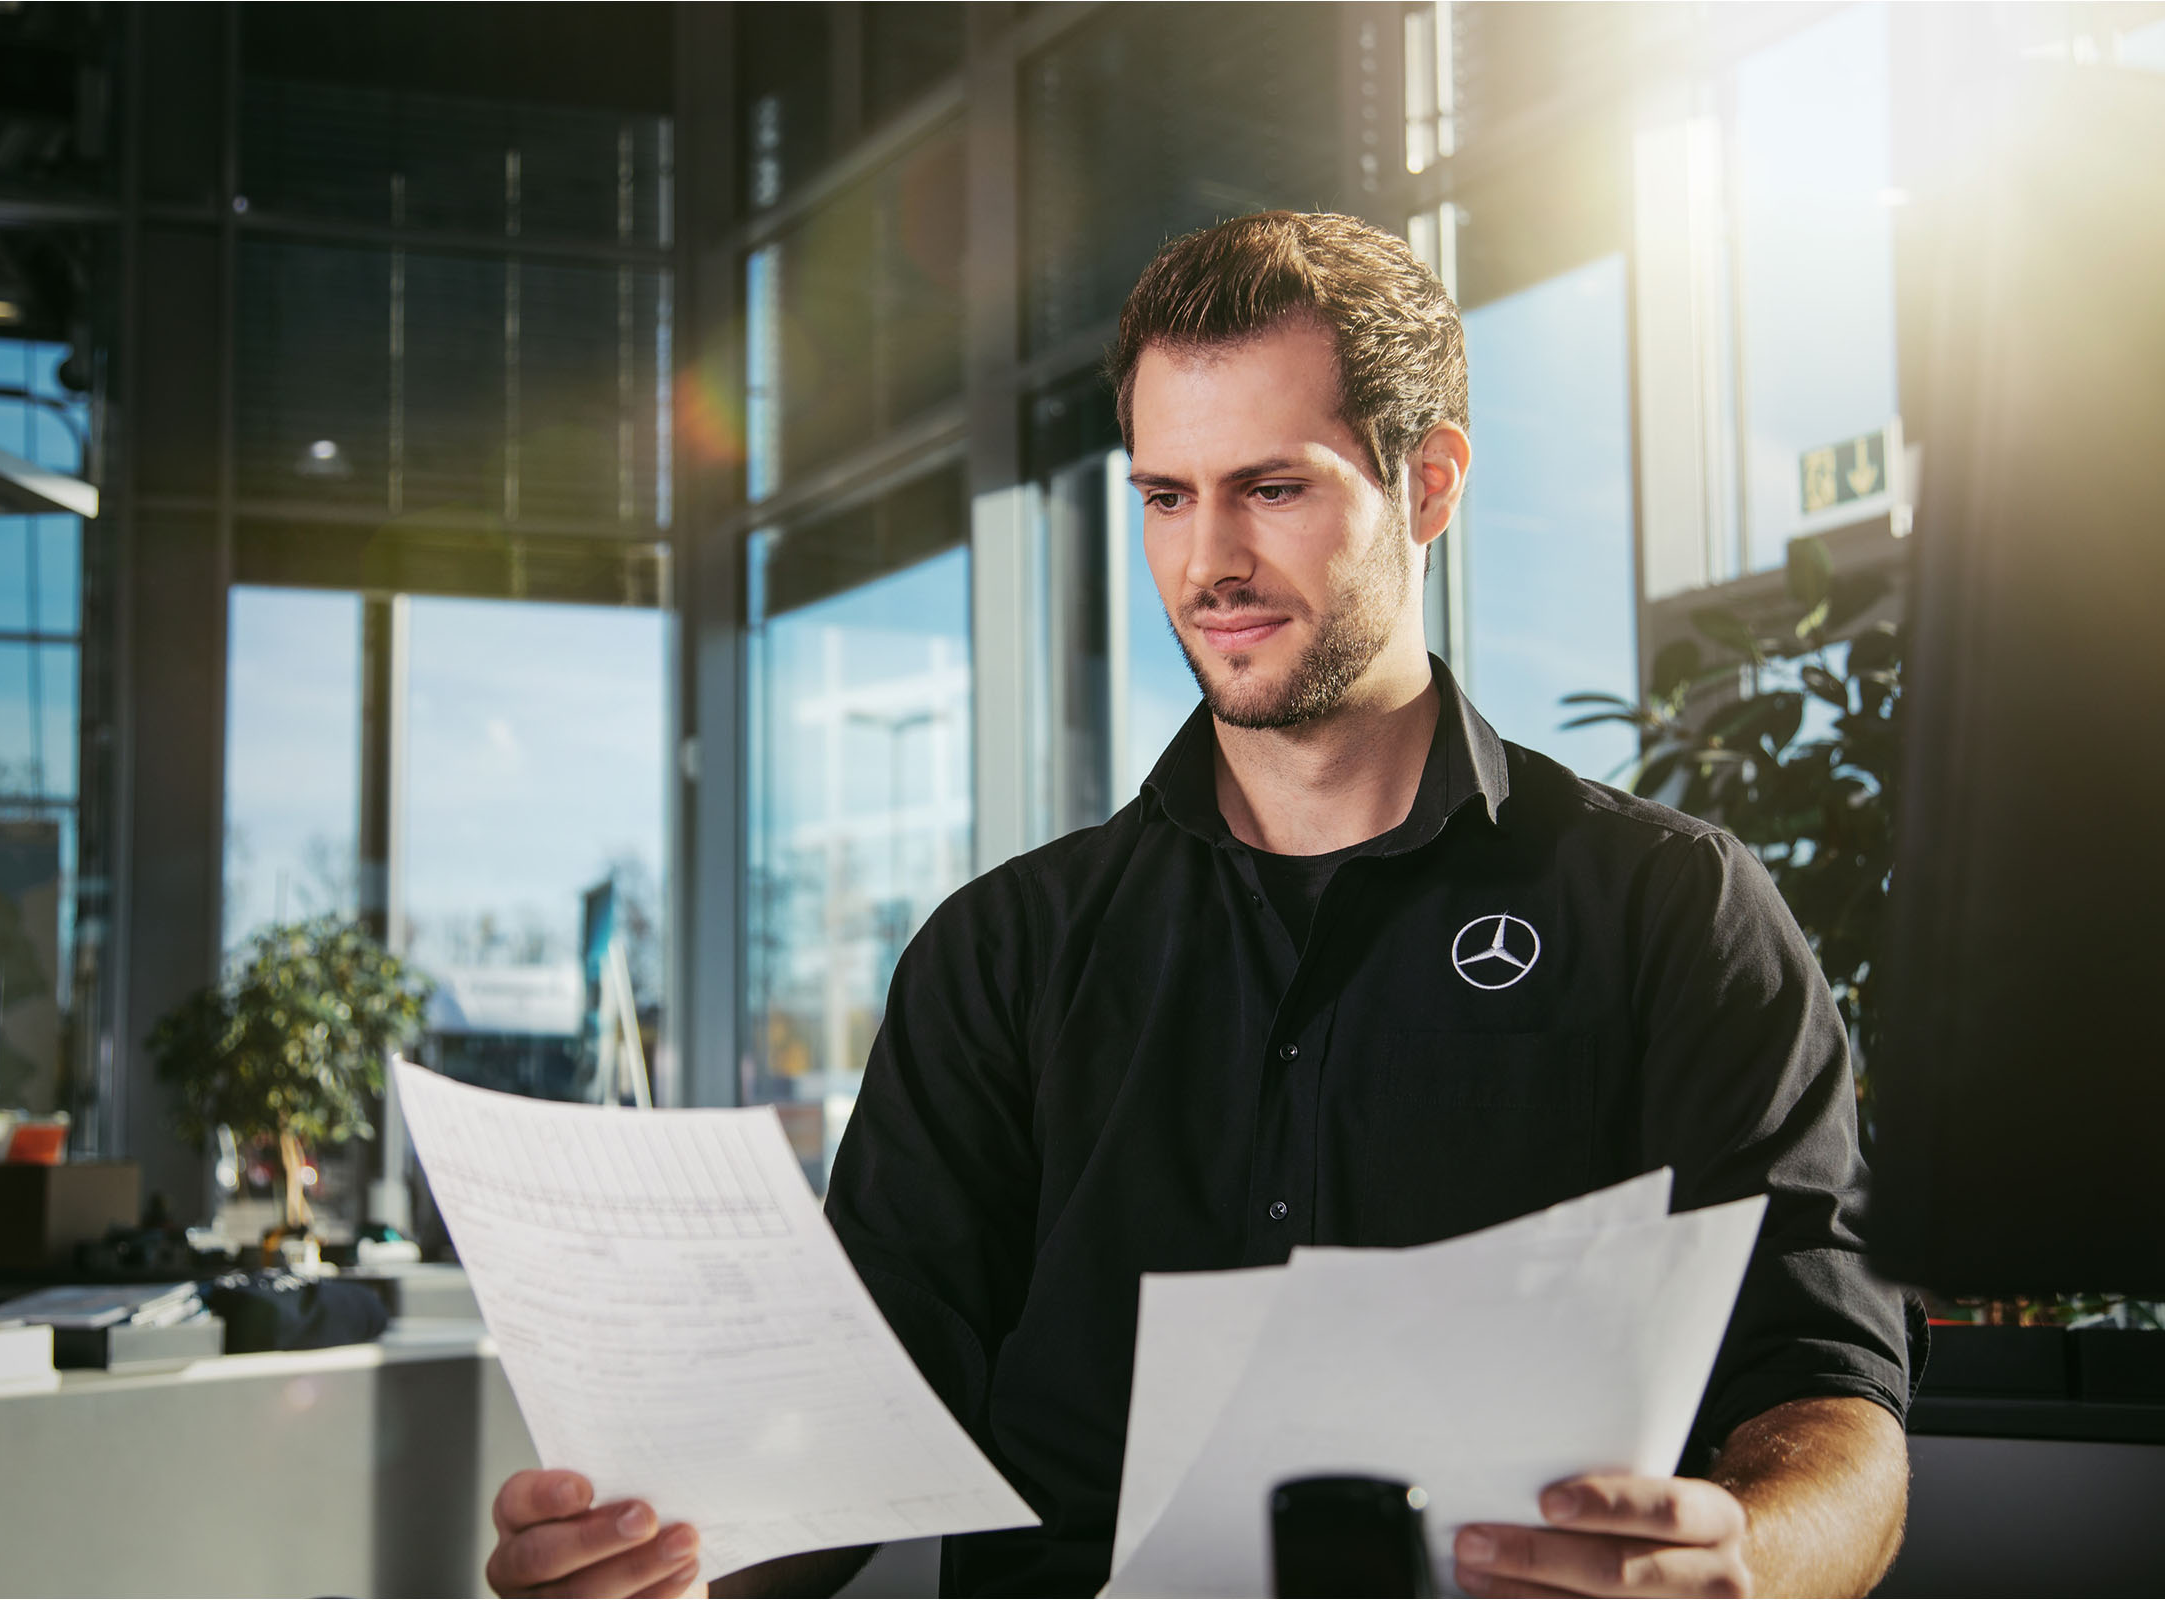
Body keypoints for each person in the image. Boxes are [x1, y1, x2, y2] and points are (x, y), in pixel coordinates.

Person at [483, 211, 1914, 1600]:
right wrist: (673, 1566)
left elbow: (1830, 1394)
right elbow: (851, 1439)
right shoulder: (1001, 958)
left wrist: (1754, 1562)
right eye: (1166, 496)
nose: (1206, 561)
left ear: (1429, 485)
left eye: (1271, 488)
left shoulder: (1671, 912)